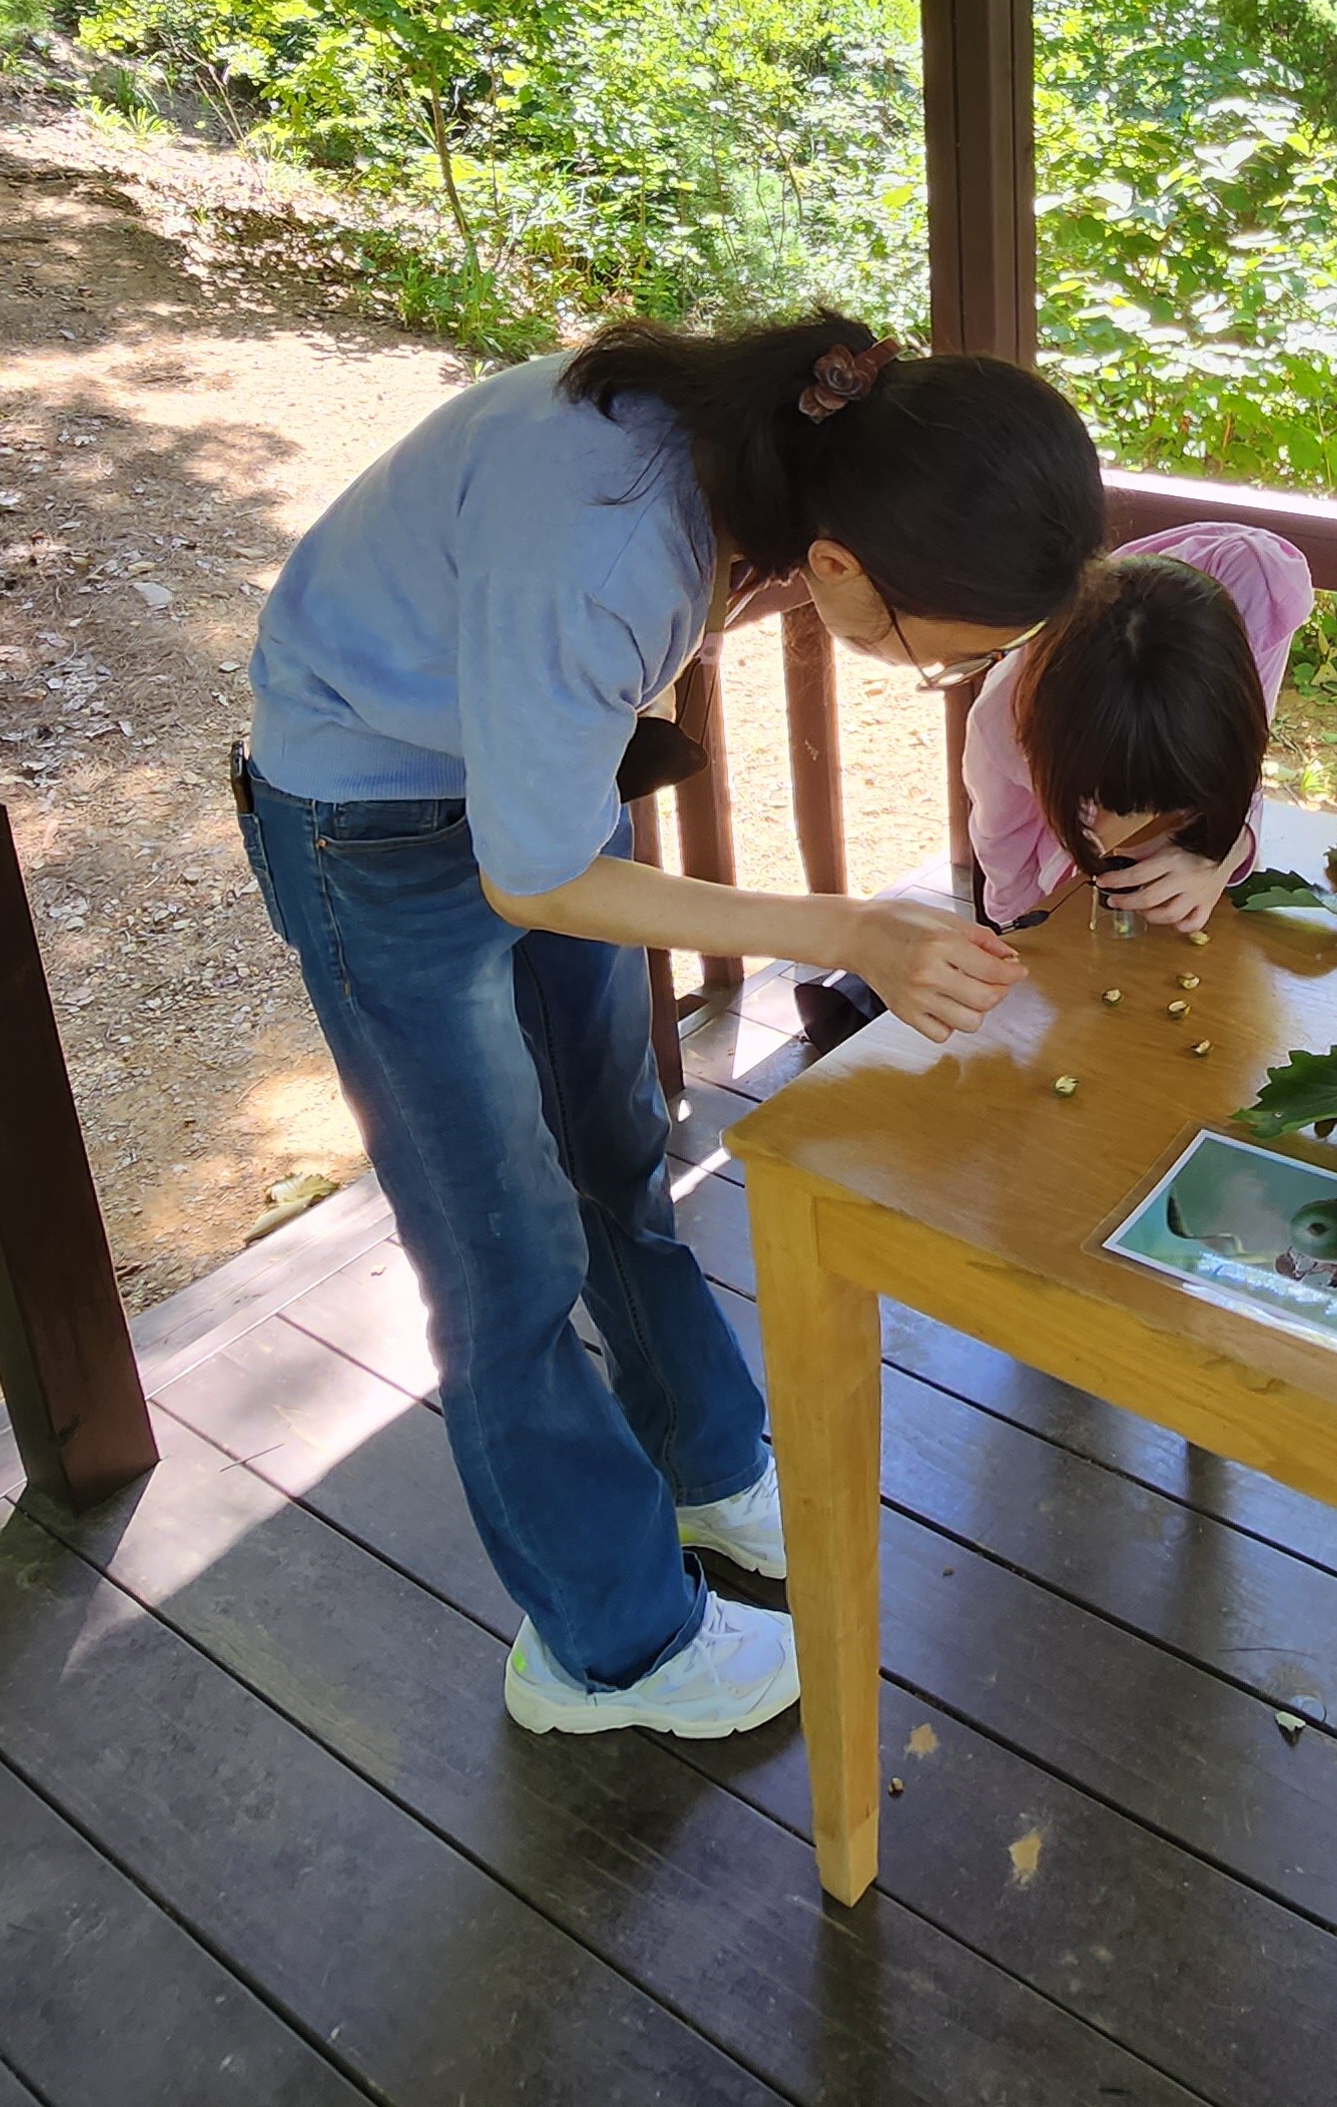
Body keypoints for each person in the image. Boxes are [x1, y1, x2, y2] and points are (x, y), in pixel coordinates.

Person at [234, 312, 1103, 1743]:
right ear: (833, 566)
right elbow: (532, 876)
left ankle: (701, 1465)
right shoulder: (609, 544)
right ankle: (607, 1650)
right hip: (369, 822)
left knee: (614, 1151)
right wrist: (849, 931)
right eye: (937, 652)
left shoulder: (804, 447)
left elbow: (546, 826)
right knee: (500, 1259)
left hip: (524, 780)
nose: (944, 678)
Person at [793, 524, 1310, 1056]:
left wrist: (1221, 852)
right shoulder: (1002, 735)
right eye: (1117, 802)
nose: (1143, 818)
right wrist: (1076, 881)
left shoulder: (1254, 584)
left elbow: (1241, 757)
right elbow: (1016, 907)